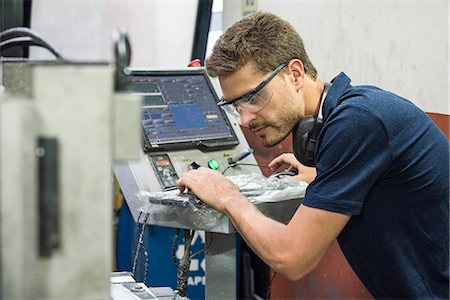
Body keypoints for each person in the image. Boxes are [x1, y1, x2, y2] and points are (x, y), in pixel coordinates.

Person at [177, 11, 449, 299]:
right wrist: (322, 175)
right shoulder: (355, 110)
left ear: (295, 74)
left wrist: (228, 196)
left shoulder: (357, 122)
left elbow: (291, 258)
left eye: (253, 97)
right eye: (235, 105)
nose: (244, 119)